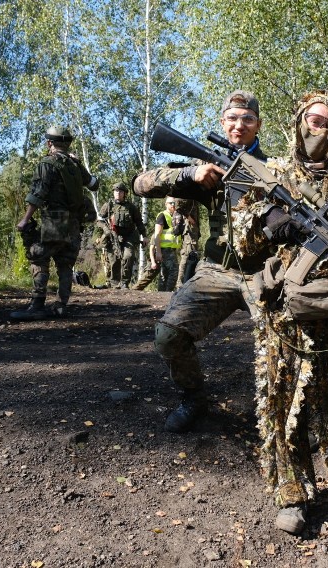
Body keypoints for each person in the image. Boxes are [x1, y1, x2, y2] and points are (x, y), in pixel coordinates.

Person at [252, 90, 328, 537]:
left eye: (324, 122)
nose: (314, 128)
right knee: (285, 403)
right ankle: (293, 493)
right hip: (287, 308)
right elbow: (245, 237)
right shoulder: (274, 173)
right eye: (309, 119)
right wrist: (271, 223)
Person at [132, 90, 270, 433]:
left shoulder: (276, 170)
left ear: (258, 125)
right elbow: (140, 184)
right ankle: (194, 397)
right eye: (232, 119)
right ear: (223, 123)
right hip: (218, 270)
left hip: (267, 274)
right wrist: (189, 175)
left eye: (248, 119)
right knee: (167, 336)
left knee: (291, 340)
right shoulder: (210, 167)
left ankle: (287, 412)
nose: (239, 126)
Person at [10, 125, 97, 320]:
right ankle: (60, 305)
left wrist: (24, 220)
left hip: (55, 221)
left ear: (49, 143)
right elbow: (94, 184)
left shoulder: (47, 164)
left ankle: (37, 304)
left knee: (38, 256)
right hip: (74, 222)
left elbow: (37, 194)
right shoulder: (75, 165)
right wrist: (79, 163)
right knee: (65, 264)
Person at [97, 182, 146, 289]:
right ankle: (114, 283)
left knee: (128, 256)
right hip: (113, 236)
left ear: (125, 193)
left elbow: (139, 222)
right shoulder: (108, 205)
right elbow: (99, 220)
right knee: (114, 260)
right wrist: (106, 230)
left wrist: (144, 235)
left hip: (129, 237)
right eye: (116, 191)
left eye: (120, 191)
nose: (118, 193)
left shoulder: (131, 207)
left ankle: (125, 282)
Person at [133, 197, 184, 291]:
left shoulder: (176, 216)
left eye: (174, 203)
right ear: (166, 204)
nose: (173, 205)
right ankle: (167, 292)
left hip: (171, 249)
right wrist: (158, 252)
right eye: (171, 203)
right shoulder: (162, 215)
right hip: (165, 249)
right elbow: (157, 235)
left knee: (164, 273)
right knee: (174, 271)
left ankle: (161, 293)